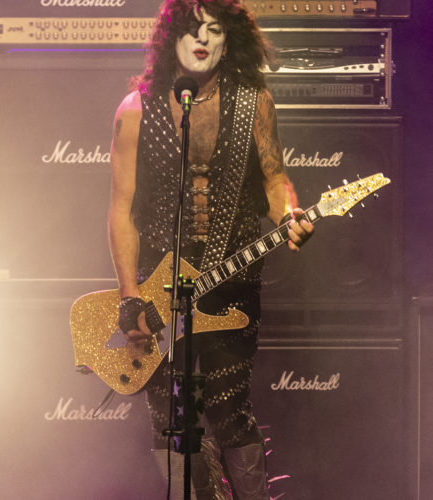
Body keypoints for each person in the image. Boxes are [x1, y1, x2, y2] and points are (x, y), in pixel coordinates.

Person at [108, 1, 314, 498]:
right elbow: (121, 208)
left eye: (214, 30)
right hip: (162, 287)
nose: (202, 39)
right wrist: (130, 294)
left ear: (228, 41)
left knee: (230, 407)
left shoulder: (253, 101)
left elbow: (274, 178)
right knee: (170, 417)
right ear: (171, 38)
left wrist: (289, 214)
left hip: (232, 279)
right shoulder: (135, 111)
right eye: (192, 28)